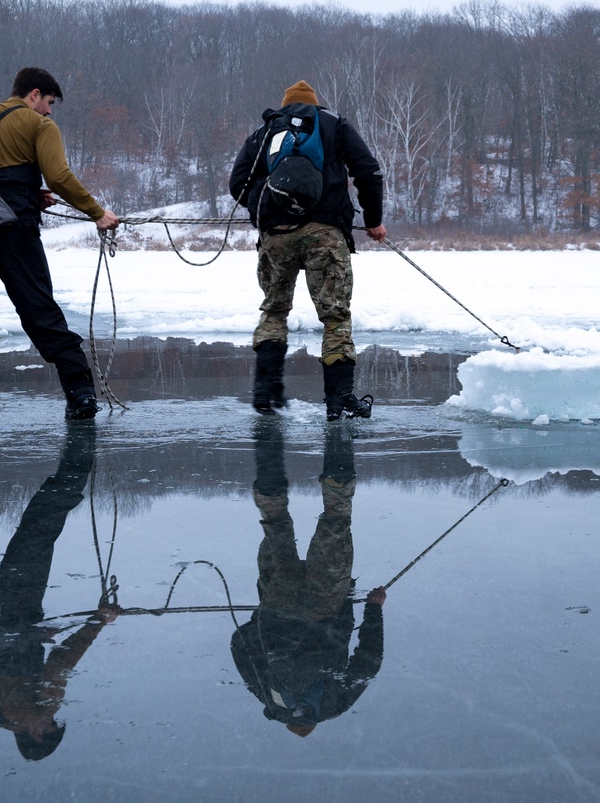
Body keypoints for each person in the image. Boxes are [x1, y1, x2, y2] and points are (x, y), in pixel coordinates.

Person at [0, 67, 119, 421]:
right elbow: (59, 176)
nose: (50, 111)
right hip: (13, 225)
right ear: (34, 94)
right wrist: (97, 212)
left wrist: (25, 190)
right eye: (49, 102)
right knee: (39, 309)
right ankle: (81, 396)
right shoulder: (40, 126)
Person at [0, 428, 119, 760]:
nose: (52, 718)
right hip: (22, 606)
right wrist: (97, 622)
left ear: (34, 734)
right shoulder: (46, 702)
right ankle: (81, 451)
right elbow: (63, 662)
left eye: (49, 726)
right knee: (42, 527)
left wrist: (27, 636)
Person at [230, 80, 386, 420]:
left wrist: (264, 211)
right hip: (326, 234)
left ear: (285, 104)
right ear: (315, 104)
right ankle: (340, 399)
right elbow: (369, 173)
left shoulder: (267, 131)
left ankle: (265, 390)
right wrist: (373, 220)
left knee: (274, 310)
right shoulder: (334, 124)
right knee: (335, 317)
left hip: (276, 235)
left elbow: (237, 181)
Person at [230, 420, 386, 736]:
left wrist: (374, 609)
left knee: (336, 519)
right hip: (277, 605)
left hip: (326, 603)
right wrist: (264, 617)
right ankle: (268, 436)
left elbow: (368, 661)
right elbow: (240, 644)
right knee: (276, 527)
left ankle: (339, 432)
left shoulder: (332, 705)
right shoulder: (268, 697)